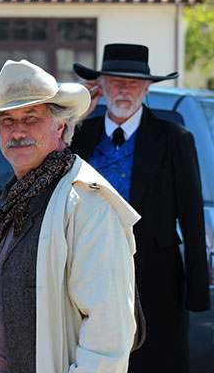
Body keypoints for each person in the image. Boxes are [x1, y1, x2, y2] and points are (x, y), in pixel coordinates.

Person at [0, 59, 139, 372]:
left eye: (30, 117)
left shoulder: (88, 203)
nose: (18, 131)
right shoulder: (19, 193)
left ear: (60, 125)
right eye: (7, 120)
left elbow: (109, 333)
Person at [69, 43, 211, 373]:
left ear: (146, 88)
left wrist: (197, 293)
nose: (124, 90)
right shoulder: (80, 135)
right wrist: (73, 115)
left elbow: (192, 216)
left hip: (156, 276)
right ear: (99, 86)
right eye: (115, 81)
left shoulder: (174, 138)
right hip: (87, 271)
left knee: (155, 359)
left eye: (133, 83)